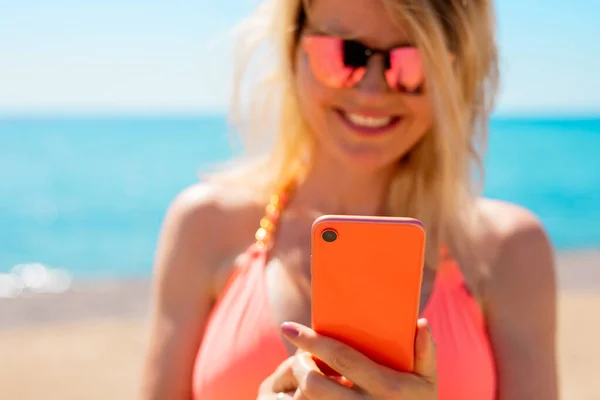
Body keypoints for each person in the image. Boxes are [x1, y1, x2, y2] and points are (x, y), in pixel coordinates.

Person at [140, 0, 558, 398]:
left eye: (411, 64)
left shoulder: (510, 251)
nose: (372, 91)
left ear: (455, 75)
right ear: (292, 49)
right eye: (343, 55)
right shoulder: (204, 225)